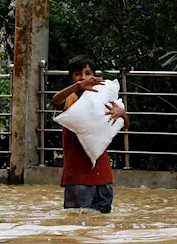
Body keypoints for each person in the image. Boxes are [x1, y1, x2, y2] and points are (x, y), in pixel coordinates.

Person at [52, 55, 129, 214]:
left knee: (101, 228)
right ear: (72, 78)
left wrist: (122, 114)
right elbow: (56, 100)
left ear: (94, 75)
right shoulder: (72, 99)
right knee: (76, 225)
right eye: (77, 74)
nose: (83, 78)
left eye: (87, 73)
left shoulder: (101, 97)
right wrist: (78, 87)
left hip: (103, 177)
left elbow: (126, 126)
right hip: (78, 177)